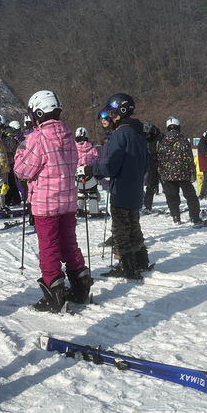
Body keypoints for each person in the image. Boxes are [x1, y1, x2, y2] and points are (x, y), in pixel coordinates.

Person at [14, 90, 91, 311]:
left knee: (49, 247)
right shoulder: (68, 135)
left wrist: (21, 151)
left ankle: (54, 293)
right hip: (67, 201)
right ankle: (80, 284)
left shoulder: (37, 138)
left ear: (38, 113)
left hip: (45, 204)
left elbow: (22, 171)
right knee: (69, 243)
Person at [82, 93, 149, 280]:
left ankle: (127, 267)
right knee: (134, 227)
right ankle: (141, 260)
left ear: (121, 111)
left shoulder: (120, 134)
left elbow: (111, 166)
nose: (111, 116)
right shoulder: (139, 133)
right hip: (135, 190)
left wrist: (90, 169)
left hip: (121, 191)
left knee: (120, 231)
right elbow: (146, 166)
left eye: (113, 112)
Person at [157, 116, 201, 224]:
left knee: (172, 198)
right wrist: (193, 172)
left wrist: (161, 171)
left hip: (168, 175)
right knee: (191, 197)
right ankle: (195, 217)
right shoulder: (183, 139)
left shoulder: (162, 141)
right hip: (183, 174)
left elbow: (159, 158)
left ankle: (176, 217)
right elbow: (189, 157)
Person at [74, 126, 100, 216]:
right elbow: (97, 160)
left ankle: (79, 210)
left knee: (80, 193)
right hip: (90, 175)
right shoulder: (92, 149)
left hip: (78, 175)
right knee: (93, 194)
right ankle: (94, 211)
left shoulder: (73, 149)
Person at [143, 121, 161, 213]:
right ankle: (147, 206)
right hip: (151, 163)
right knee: (150, 186)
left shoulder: (160, 138)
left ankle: (173, 206)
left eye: (148, 134)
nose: (147, 136)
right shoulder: (146, 140)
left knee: (168, 186)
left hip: (162, 162)